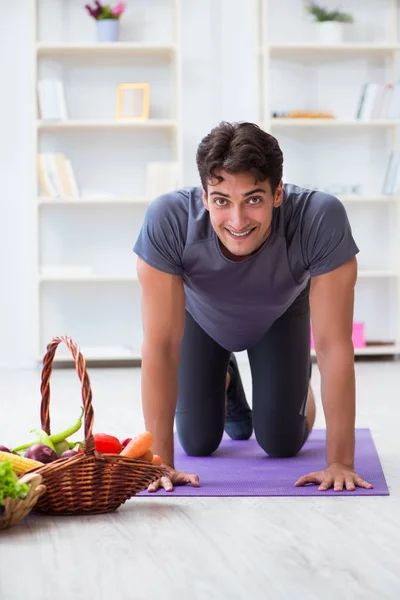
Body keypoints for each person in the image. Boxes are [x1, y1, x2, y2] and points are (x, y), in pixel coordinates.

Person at [133, 121, 373, 494]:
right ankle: (225, 381)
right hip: (199, 319)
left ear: (278, 193)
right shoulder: (168, 219)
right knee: (196, 441)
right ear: (204, 196)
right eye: (222, 201)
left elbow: (332, 345)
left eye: (254, 199)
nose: (238, 220)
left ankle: (290, 386)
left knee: (281, 442)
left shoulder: (320, 218)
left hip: (281, 315)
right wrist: (161, 464)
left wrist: (340, 462)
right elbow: (161, 345)